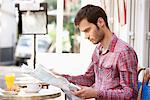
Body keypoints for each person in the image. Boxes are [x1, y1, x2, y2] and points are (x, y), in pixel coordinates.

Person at [54, 4, 138, 99]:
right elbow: (89, 79)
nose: (86, 36)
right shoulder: (98, 49)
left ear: (100, 22)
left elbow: (130, 94)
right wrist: (61, 78)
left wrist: (96, 93)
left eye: (88, 30)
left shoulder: (124, 52)